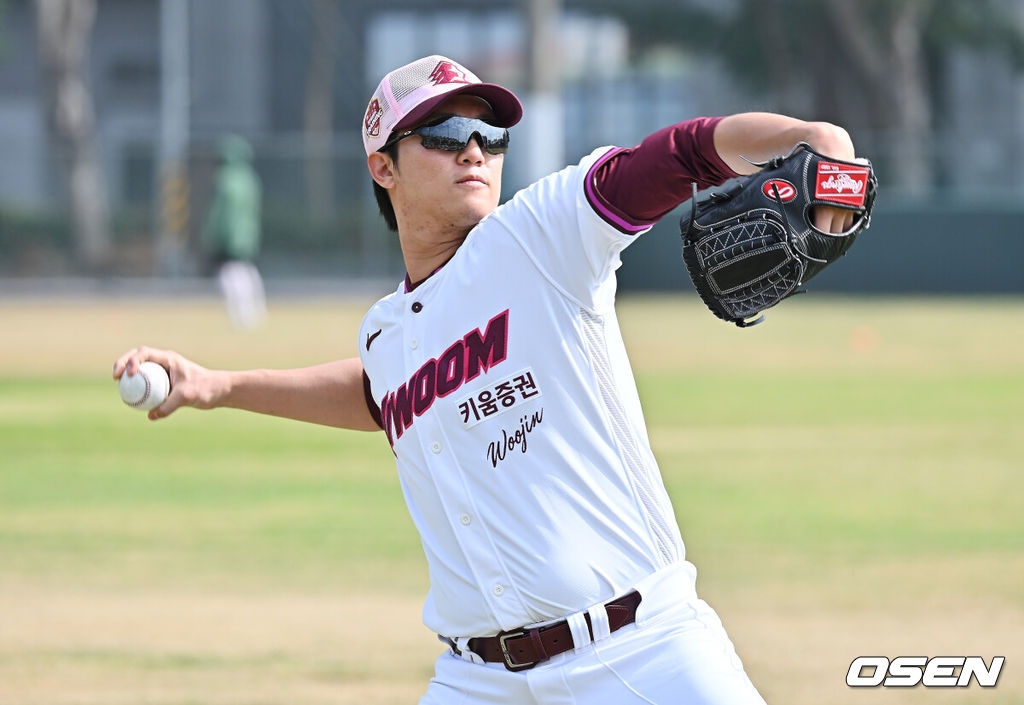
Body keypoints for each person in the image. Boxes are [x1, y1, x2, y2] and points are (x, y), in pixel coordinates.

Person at [115, 55, 861, 703]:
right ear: (383, 165)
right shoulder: (387, 329)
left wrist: (813, 141)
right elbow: (382, 394)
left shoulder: (542, 232)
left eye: (489, 134)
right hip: (480, 678)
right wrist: (217, 385)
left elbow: (680, 153)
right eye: (444, 135)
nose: (474, 150)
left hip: (641, 649)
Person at [201, 134, 266, 329]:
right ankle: (257, 312)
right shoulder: (251, 179)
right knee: (247, 271)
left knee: (230, 275)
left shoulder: (224, 180)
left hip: (229, 237)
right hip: (248, 236)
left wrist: (210, 236)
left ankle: (241, 316)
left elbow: (219, 213)